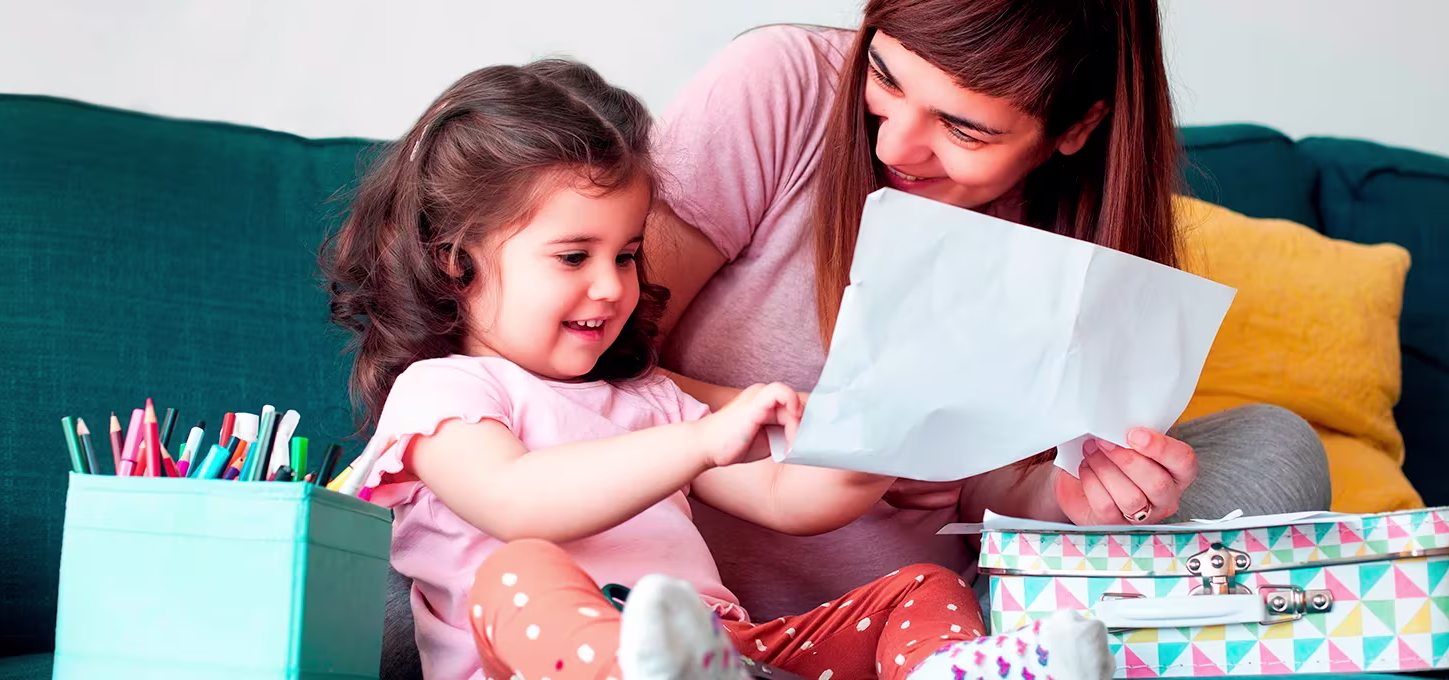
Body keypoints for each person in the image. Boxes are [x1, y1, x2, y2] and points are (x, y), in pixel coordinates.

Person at [322, 58, 1116, 680]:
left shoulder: (647, 397)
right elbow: (519, 502)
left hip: (731, 654)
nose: (613, 286)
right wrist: (702, 444)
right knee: (517, 570)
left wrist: (894, 423)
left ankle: (959, 673)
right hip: (540, 664)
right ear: (455, 261)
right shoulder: (443, 393)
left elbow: (788, 495)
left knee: (919, 586)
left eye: (628, 254)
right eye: (573, 256)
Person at [648, 0, 1332, 622]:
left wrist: (1071, 498)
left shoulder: (1074, 224)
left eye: (962, 128)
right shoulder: (778, 89)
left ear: (1079, 125)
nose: (892, 147)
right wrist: (808, 425)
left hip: (946, 616)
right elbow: (581, 364)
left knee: (1273, 445)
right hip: (698, 603)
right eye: (885, 77)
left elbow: (982, 494)